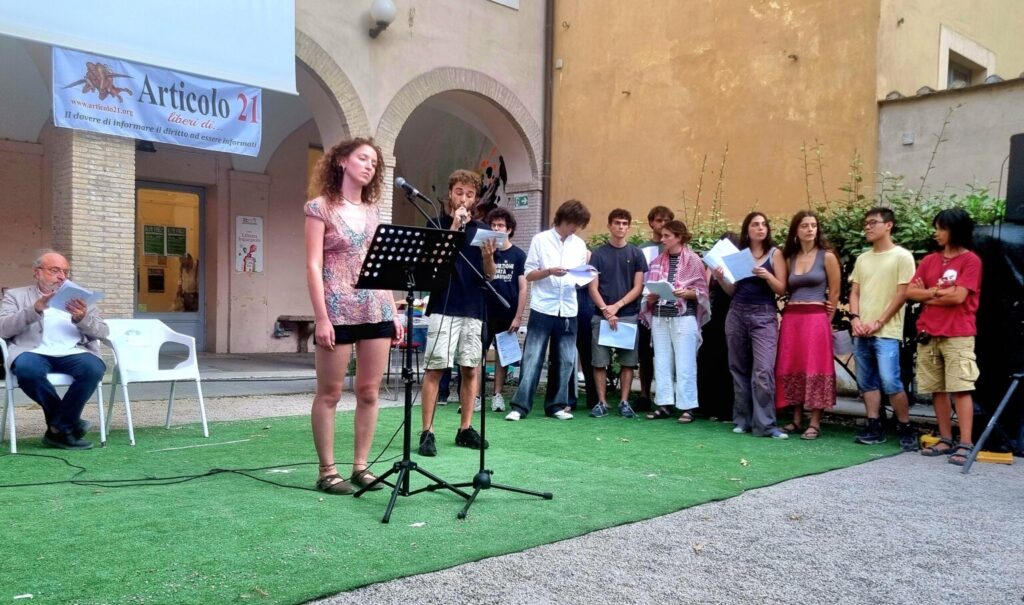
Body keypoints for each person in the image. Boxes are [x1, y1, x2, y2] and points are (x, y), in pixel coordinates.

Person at [304, 137, 402, 495]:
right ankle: (327, 471)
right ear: (342, 161)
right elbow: (314, 264)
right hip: (337, 309)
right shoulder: (319, 207)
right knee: (329, 393)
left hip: (375, 308)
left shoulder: (375, 212)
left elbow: (384, 267)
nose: (369, 166)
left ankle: (361, 466)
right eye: (363, 158)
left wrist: (394, 313)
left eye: (374, 163)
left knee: (369, 391)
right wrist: (321, 317)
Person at [416, 170, 497, 456]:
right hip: (444, 306)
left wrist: (488, 257)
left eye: (470, 194)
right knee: (436, 367)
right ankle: (428, 431)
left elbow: (489, 275)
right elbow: (434, 264)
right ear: (450, 194)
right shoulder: (436, 224)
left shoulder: (483, 231)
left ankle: (465, 428)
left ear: (475, 200)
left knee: (471, 368)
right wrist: (453, 228)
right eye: (459, 192)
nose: (464, 198)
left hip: (474, 308)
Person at [0, 250, 108, 449]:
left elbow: (102, 331)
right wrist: (35, 310)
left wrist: (81, 318)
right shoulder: (16, 296)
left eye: (65, 271)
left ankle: (59, 427)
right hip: (33, 351)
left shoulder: (79, 298)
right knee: (27, 370)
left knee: (94, 369)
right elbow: (3, 328)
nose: (61, 276)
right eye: (55, 270)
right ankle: (68, 424)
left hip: (74, 351)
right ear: (37, 272)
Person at [906, 208, 982, 466]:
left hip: (958, 334)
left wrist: (928, 292)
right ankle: (946, 439)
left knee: (960, 388)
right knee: (936, 389)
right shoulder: (929, 261)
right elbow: (910, 293)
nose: (936, 233)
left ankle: (966, 443)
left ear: (955, 230)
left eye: (941, 228)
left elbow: (960, 297)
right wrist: (939, 293)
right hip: (929, 332)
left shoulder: (971, 261)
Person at [506, 199, 591, 421]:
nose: (576, 229)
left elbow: (581, 276)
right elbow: (529, 274)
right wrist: (550, 271)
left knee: (565, 359)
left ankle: (556, 405)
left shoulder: (579, 245)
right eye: (575, 223)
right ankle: (520, 406)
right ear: (564, 219)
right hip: (543, 306)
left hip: (568, 308)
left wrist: (585, 274)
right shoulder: (540, 240)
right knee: (533, 356)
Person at [848, 207, 917, 450]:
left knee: (891, 381)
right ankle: (874, 424)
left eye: (873, 222)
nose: (867, 227)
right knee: (867, 382)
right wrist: (855, 318)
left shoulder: (902, 257)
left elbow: (903, 294)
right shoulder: (862, 259)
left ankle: (906, 426)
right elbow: (854, 291)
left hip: (886, 332)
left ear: (889, 225)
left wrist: (879, 321)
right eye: (865, 223)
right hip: (862, 330)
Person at [714, 213, 788, 439]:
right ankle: (742, 420)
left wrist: (766, 275)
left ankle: (765, 425)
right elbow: (733, 290)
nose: (760, 228)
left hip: (764, 315)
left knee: (763, 371)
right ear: (748, 230)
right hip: (737, 312)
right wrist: (720, 279)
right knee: (738, 368)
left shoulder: (775, 254)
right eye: (755, 225)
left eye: (764, 224)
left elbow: (781, 289)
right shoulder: (740, 256)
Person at [775, 210, 841, 439]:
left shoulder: (828, 256)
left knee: (816, 366)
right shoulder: (788, 257)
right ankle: (795, 419)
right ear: (796, 230)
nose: (810, 229)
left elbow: (835, 291)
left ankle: (814, 421)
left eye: (813, 225)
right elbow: (782, 288)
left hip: (816, 318)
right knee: (793, 365)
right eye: (805, 225)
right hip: (792, 317)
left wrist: (827, 320)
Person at [640, 220, 710, 423]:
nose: (662, 239)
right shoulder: (656, 262)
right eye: (662, 236)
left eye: (666, 236)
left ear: (678, 237)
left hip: (683, 317)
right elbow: (650, 289)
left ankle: (687, 407)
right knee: (661, 361)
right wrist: (651, 297)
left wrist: (686, 293)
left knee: (685, 362)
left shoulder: (694, 260)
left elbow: (702, 292)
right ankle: (664, 404)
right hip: (660, 316)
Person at [588, 208, 648, 418]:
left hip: (629, 315)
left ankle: (624, 402)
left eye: (624, 223)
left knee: (628, 362)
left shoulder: (637, 253)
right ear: (609, 226)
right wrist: (606, 310)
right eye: (617, 223)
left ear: (628, 227)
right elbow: (592, 287)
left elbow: (638, 287)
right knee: (599, 361)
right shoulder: (597, 254)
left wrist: (617, 307)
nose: (621, 227)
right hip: (601, 315)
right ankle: (602, 402)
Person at [483, 207, 527, 413]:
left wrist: (518, 316)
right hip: (484, 311)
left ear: (509, 229)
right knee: (477, 354)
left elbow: (523, 287)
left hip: (507, 313)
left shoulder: (518, 255)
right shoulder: (484, 251)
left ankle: (497, 395)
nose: (496, 228)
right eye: (493, 225)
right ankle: (474, 395)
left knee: (503, 356)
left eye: (500, 225)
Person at [636, 205, 674, 412]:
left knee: (665, 353)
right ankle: (643, 394)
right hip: (645, 306)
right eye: (659, 221)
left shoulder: (674, 247)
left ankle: (665, 395)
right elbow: (639, 277)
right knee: (644, 353)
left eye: (667, 221)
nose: (663, 224)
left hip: (668, 306)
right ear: (651, 222)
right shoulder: (643, 248)